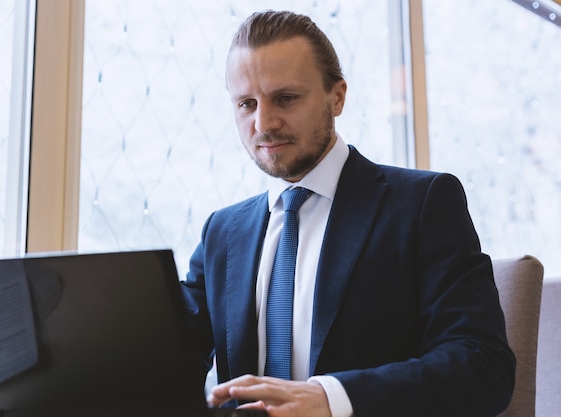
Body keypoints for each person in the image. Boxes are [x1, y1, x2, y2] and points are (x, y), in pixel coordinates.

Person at [180, 10, 515, 417]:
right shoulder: (222, 232)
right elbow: (164, 360)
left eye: (285, 98)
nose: (263, 122)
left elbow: (482, 368)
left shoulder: (423, 203)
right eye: (246, 104)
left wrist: (331, 399)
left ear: (336, 97)